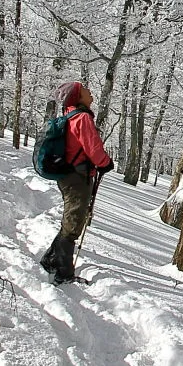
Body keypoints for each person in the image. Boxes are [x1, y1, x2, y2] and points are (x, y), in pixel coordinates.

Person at [39, 81, 114, 284]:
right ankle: (63, 271)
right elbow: (93, 147)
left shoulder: (69, 115)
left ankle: (51, 259)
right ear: (77, 97)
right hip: (76, 176)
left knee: (72, 217)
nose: (91, 93)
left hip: (70, 175)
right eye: (86, 90)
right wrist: (105, 163)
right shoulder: (81, 118)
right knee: (74, 220)